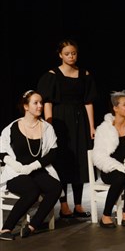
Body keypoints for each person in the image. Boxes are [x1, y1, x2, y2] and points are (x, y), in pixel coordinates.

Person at [37, 39, 97, 219]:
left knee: (79, 160)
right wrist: (48, 124)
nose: (71, 56)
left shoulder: (84, 74)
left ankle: (78, 204)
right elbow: (47, 101)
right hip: (60, 120)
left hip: (80, 121)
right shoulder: (52, 75)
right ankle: (64, 205)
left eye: (74, 53)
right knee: (62, 160)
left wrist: (92, 126)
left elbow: (88, 102)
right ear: (60, 55)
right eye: (67, 54)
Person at [0, 90, 62, 241]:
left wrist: (33, 166)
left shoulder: (47, 128)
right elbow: (1, 152)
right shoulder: (12, 127)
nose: (40, 106)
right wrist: (17, 165)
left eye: (41, 102)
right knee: (32, 191)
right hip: (16, 172)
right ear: (26, 106)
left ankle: (32, 226)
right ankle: (6, 228)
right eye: (36, 103)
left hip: (37, 170)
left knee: (56, 187)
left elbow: (53, 153)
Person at [92, 90, 125, 228]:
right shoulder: (103, 129)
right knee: (120, 177)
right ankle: (106, 215)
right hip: (110, 170)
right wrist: (115, 165)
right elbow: (98, 155)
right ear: (115, 108)